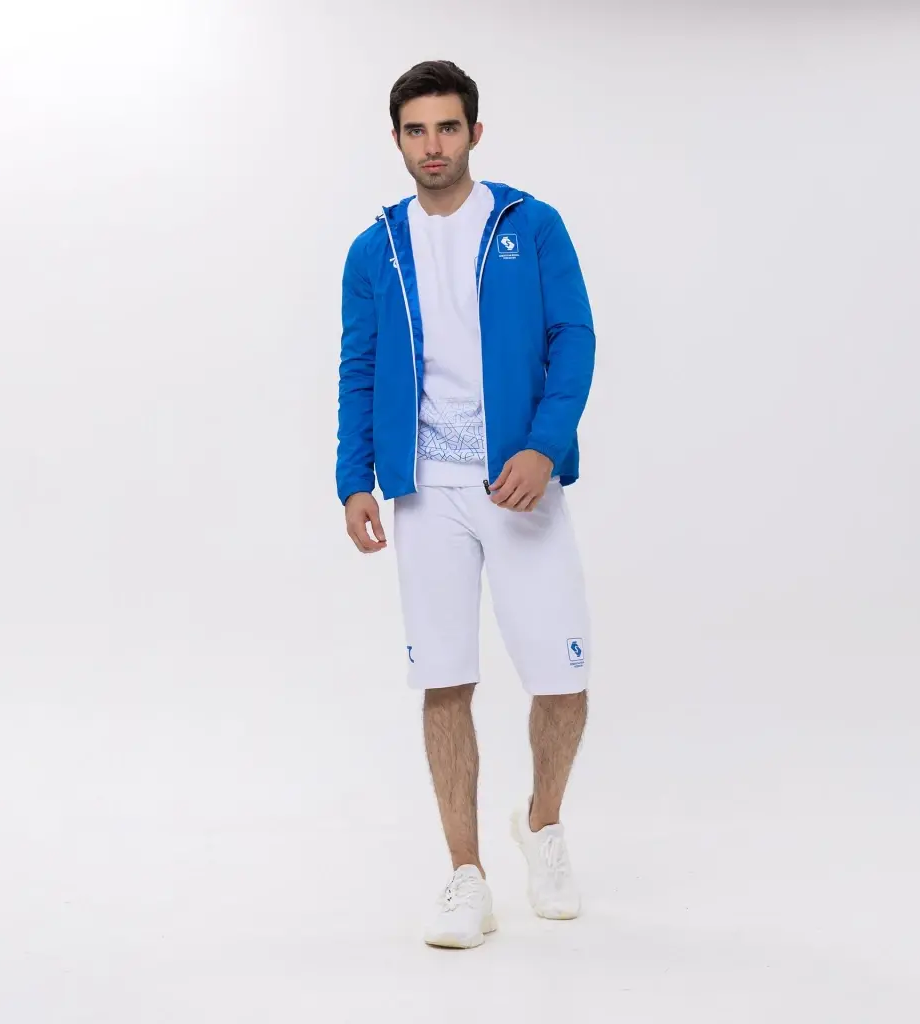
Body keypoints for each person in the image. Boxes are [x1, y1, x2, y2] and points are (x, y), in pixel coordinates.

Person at [336, 59, 596, 949]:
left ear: (474, 132)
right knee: (444, 680)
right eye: (416, 130)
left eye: (447, 127)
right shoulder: (376, 248)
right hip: (426, 493)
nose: (433, 145)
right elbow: (359, 365)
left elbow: (573, 337)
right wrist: (354, 478)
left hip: (518, 483)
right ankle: (466, 876)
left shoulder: (530, 224)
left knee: (561, 679)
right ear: (397, 139)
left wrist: (544, 445)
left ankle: (544, 825)